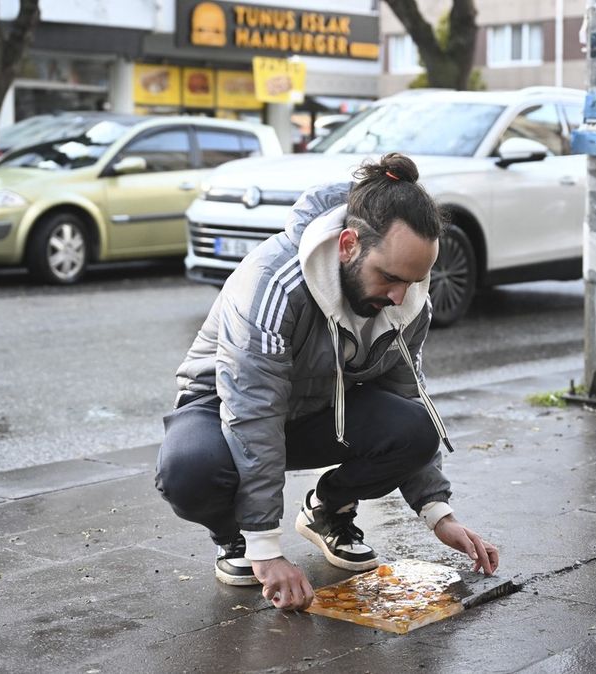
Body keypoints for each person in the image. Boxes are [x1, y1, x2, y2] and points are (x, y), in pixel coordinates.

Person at [156, 153, 499, 612]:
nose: (401, 295)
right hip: (222, 409)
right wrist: (267, 550)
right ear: (348, 245)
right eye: (391, 278)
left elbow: (406, 395)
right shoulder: (272, 283)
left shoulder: (406, 296)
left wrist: (437, 512)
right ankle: (234, 536)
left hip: (319, 411)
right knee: (189, 469)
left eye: (414, 281)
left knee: (416, 428)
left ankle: (328, 511)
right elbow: (253, 412)